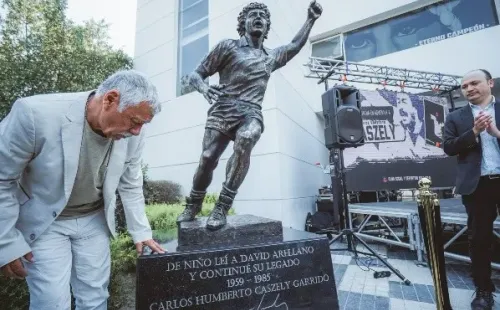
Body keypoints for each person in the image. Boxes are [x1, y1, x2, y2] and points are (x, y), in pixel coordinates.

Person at [0, 69, 166, 310]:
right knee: (52, 303)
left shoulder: (133, 134)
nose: (136, 132)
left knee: (95, 299)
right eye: (134, 121)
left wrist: (141, 231)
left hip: (93, 219)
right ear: (110, 99)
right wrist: (5, 242)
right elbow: (2, 178)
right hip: (46, 222)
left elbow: (130, 182)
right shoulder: (34, 114)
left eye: (142, 124)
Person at [176, 1, 323, 230]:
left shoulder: (270, 57)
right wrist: (204, 88)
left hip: (250, 113)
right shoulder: (228, 47)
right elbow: (196, 74)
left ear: (266, 27)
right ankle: (193, 204)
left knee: (247, 138)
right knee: (207, 159)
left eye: (262, 17)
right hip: (222, 109)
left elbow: (294, 45)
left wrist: (310, 19)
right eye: (253, 15)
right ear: (242, 23)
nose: (258, 18)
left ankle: (222, 206)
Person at [443, 69, 498, 310]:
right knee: (479, 239)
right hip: (477, 185)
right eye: (464, 86)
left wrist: (495, 133)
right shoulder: (455, 117)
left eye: (474, 83)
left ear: (490, 83)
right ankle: (484, 290)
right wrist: (474, 132)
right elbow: (449, 147)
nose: (469, 89)